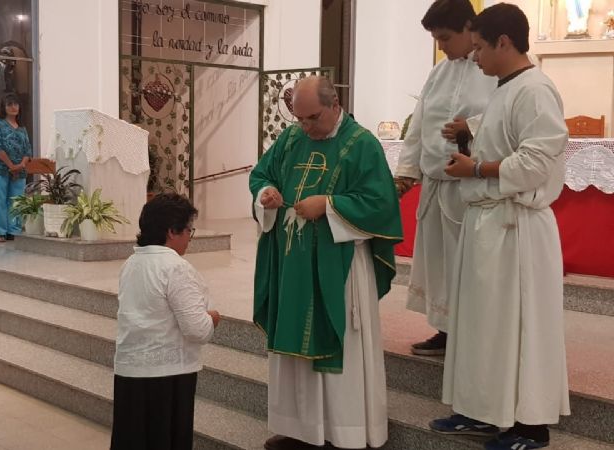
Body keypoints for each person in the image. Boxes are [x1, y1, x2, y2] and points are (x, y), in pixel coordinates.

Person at [430, 4, 571, 450]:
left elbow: (535, 161)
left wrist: (476, 169)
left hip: (516, 230)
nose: (473, 58)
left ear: (504, 42)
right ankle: (485, 413)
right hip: (489, 226)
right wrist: (470, 135)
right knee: (483, 329)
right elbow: (506, 138)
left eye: (479, 48)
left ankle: (530, 428)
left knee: (517, 331)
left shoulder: (536, 90)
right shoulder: (507, 88)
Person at [250, 76, 402, 450]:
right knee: (294, 353)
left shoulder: (361, 144)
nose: (305, 127)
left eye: (312, 118)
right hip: (293, 264)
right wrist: (266, 194)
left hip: (341, 265)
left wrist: (329, 205)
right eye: (298, 119)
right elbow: (262, 174)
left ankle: (342, 432)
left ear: (335, 104)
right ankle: (299, 429)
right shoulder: (290, 139)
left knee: (339, 348)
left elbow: (380, 204)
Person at [394, 0, 497, 356]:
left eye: (446, 37)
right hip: (436, 185)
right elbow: (419, 124)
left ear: (471, 28)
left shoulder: (495, 69)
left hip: (469, 186)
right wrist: (406, 172)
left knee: (465, 264)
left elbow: (507, 119)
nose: (441, 46)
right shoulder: (439, 72)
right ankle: (444, 328)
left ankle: (470, 333)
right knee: (438, 262)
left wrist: (472, 126)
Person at [111, 192, 220, 450]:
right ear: (172, 231)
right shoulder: (175, 267)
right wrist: (213, 319)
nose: (188, 240)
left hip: (130, 371)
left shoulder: (131, 263)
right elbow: (197, 330)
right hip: (167, 376)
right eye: (188, 232)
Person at [0, 93, 32, 242]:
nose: (14, 107)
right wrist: (11, 165)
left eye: (16, 104)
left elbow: (28, 150)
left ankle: (14, 231)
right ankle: (0, 231)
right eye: (10, 104)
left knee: (16, 201)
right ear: (4, 107)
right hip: (0, 169)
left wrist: (20, 165)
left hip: (19, 171)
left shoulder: (22, 129)